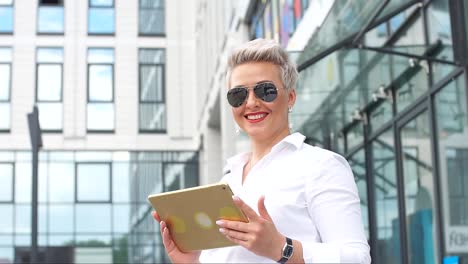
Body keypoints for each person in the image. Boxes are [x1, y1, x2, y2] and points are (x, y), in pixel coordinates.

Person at [152, 38, 371, 263]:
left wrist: (281, 248)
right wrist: (190, 261)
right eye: (238, 95)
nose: (251, 103)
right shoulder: (228, 180)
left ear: (291, 98)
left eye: (265, 91)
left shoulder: (321, 165)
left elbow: (358, 258)